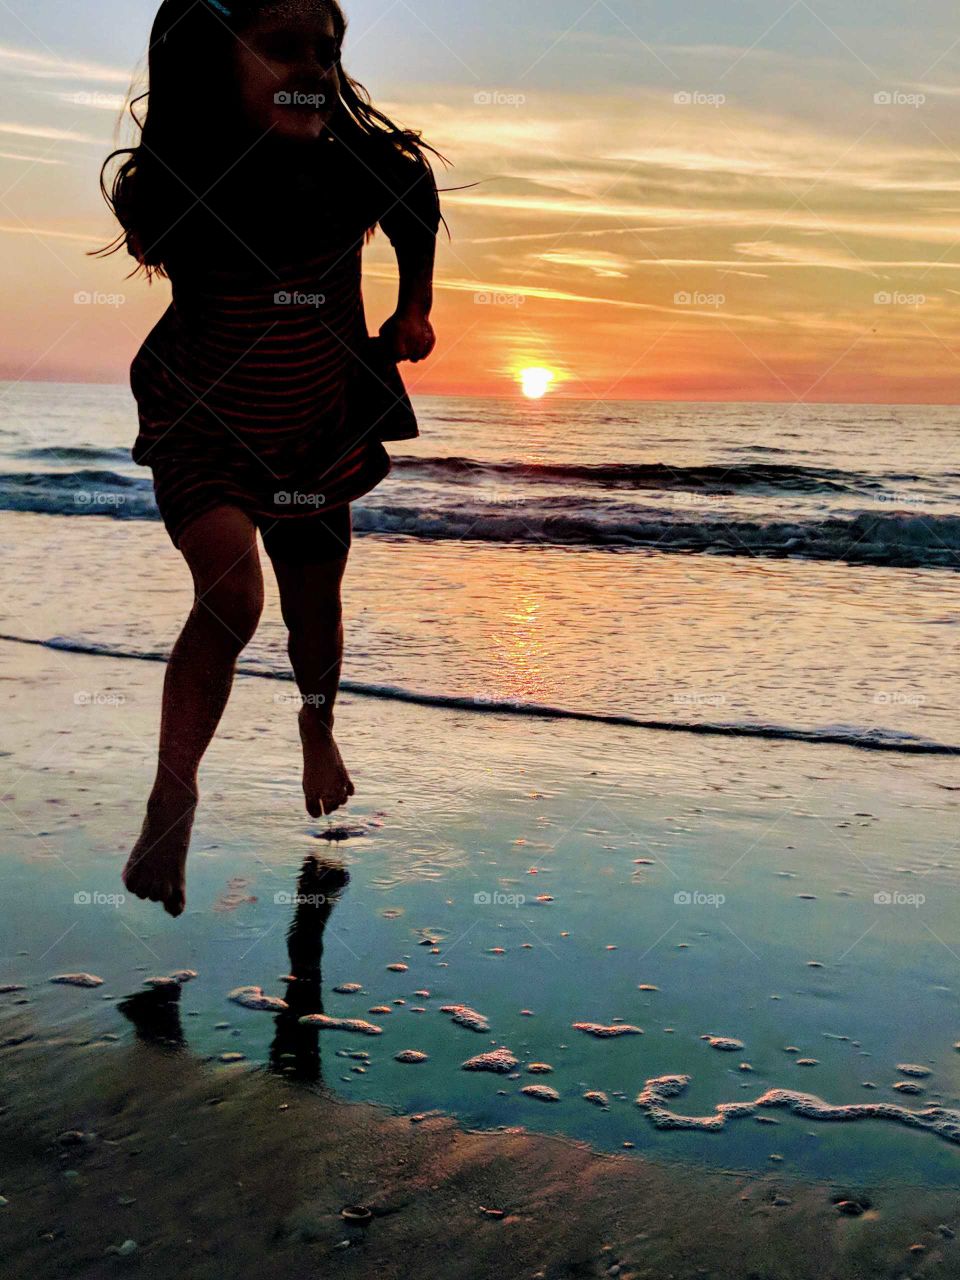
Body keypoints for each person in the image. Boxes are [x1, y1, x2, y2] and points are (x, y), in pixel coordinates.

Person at [91, 0, 444, 917]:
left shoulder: (354, 170)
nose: (315, 67)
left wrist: (414, 306)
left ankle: (316, 728)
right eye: (282, 47)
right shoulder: (182, 180)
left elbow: (414, 196)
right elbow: (151, 227)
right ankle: (174, 795)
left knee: (315, 613)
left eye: (328, 51)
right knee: (234, 596)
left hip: (318, 423)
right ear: (215, 65)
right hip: (204, 421)